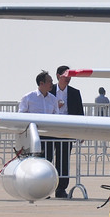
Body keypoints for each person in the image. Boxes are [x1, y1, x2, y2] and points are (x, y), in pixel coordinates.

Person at [48, 65, 84, 198]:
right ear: (58, 76)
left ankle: (61, 188)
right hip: (50, 130)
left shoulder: (75, 92)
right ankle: (45, 187)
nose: (68, 78)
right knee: (47, 159)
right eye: (65, 75)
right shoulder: (49, 90)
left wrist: (81, 133)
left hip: (66, 131)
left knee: (63, 160)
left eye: (70, 76)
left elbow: (80, 113)